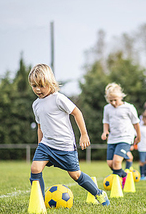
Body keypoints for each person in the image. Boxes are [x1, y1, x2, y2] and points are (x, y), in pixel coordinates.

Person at [28, 64, 110, 205]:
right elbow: (40, 126)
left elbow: (77, 112)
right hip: (46, 145)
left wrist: (84, 134)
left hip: (64, 145)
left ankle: (99, 193)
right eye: (34, 86)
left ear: (50, 83)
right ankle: (40, 202)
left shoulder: (58, 98)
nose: (37, 89)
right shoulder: (36, 105)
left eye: (41, 85)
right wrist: (39, 144)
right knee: (35, 169)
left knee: (76, 175)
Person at [101, 83, 141, 187]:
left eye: (115, 100)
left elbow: (136, 123)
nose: (113, 103)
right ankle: (125, 176)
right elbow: (106, 121)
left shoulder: (129, 108)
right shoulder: (107, 108)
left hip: (125, 137)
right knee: (110, 163)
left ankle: (118, 185)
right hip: (112, 138)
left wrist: (139, 136)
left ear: (121, 97)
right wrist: (105, 131)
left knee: (116, 162)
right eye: (110, 100)